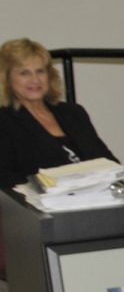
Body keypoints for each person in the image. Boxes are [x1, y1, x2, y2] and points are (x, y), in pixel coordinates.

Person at [0, 39, 117, 190]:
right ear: (7, 79)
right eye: (24, 73)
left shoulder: (74, 113)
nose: (35, 80)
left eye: (40, 71)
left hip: (99, 199)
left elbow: (107, 161)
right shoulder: (4, 122)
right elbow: (5, 180)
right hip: (42, 208)